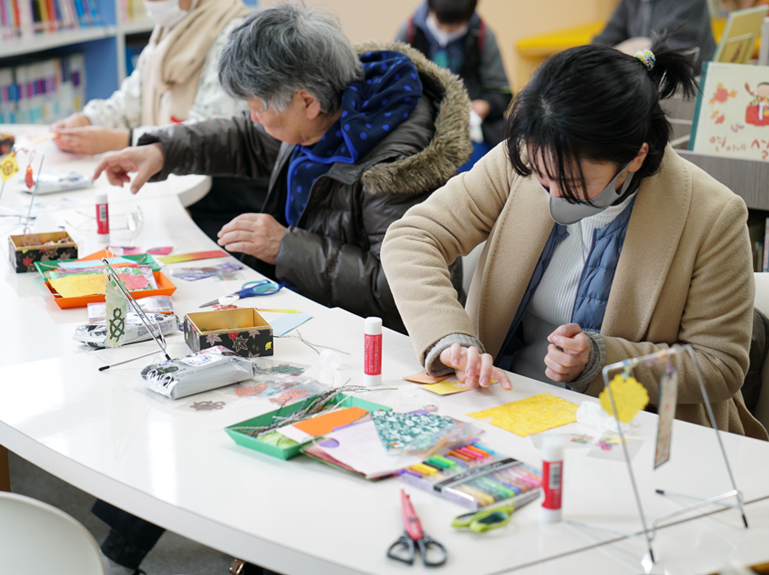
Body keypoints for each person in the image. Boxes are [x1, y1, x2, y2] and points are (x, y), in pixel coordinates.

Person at [90, 6, 471, 573]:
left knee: (214, 408)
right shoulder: (327, 109)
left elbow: (401, 292)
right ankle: (119, 555)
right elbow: (248, 138)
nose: (253, 119)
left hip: (371, 356)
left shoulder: (396, 163)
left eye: (260, 107)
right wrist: (162, 150)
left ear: (306, 102)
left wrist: (286, 246)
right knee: (189, 390)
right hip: (306, 317)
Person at [381, 39, 769, 439]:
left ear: (635, 157)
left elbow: (719, 366)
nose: (551, 195)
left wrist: (602, 361)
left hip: (631, 429)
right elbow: (413, 238)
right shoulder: (529, 159)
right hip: (504, 403)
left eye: (573, 184)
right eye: (543, 178)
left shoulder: (712, 215)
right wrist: (449, 337)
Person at [50, 0, 250, 155]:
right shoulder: (168, 30)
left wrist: (124, 141)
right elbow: (131, 101)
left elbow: (210, 131)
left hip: (212, 189)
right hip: (168, 173)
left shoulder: (233, 35)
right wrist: (87, 119)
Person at [396, 0, 511, 151]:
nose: (446, 31)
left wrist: (486, 106)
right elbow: (395, 87)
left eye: (455, 26)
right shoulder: (410, 32)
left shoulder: (482, 35)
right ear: (430, 9)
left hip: (470, 131)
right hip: (421, 126)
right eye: (440, 24)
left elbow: (502, 92)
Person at [591, 0, 716, 64]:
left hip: (689, 85)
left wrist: (626, 49)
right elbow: (604, 39)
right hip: (645, 77)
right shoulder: (632, 2)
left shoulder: (689, 2)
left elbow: (667, 52)